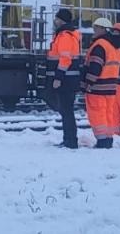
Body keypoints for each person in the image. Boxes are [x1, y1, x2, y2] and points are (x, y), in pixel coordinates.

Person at [80, 16, 120, 148]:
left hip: (97, 87)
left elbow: (96, 65)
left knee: (97, 113)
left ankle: (102, 141)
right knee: (108, 114)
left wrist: (88, 82)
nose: (93, 30)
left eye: (96, 28)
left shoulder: (99, 45)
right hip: (111, 87)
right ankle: (108, 138)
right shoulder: (114, 46)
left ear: (103, 29)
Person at [46, 8, 81, 148]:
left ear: (62, 20)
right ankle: (69, 139)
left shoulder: (65, 36)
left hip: (66, 79)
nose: (55, 21)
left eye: (57, 18)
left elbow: (65, 59)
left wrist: (58, 77)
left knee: (66, 111)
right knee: (66, 111)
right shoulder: (65, 35)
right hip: (68, 79)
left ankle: (70, 141)